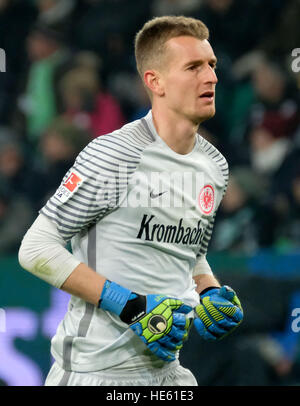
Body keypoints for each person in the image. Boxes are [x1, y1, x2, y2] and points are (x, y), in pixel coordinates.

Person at [18, 16, 243, 387]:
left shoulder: (213, 165)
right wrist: (131, 306)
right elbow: (36, 248)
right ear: (155, 82)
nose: (212, 77)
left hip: (167, 373)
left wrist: (209, 291)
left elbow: (189, 252)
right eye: (193, 67)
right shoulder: (118, 156)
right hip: (96, 374)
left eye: (212, 65)